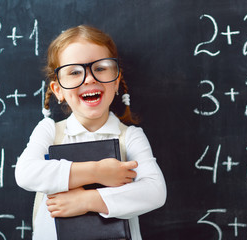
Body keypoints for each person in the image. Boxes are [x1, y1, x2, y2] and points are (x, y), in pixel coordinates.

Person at [15, 25, 167, 240]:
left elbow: (155, 192)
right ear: (58, 90)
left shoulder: (130, 136)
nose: (89, 79)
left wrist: (87, 200)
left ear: (116, 82)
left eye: (101, 68)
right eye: (75, 72)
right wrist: (97, 172)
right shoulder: (50, 131)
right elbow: (26, 174)